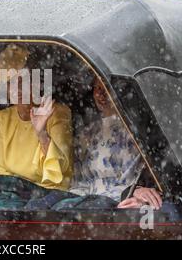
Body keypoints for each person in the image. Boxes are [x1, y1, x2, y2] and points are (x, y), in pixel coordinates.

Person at [0, 44, 76, 210]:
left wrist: (41, 133)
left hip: (50, 196)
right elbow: (3, 178)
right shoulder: (0, 119)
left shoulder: (56, 112)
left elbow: (59, 175)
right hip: (14, 196)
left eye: (24, 80)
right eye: (11, 82)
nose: (18, 88)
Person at [52, 77, 163, 210]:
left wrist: (133, 191)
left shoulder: (137, 133)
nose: (101, 94)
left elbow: (137, 186)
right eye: (97, 88)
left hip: (112, 208)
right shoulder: (85, 133)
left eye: (107, 87)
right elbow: (77, 184)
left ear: (120, 92)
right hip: (82, 206)